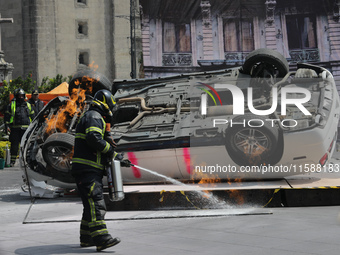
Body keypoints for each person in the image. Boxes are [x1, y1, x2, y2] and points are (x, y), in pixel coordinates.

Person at [71, 89, 131, 252]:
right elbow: (93, 138)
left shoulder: (93, 116)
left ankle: (87, 237)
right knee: (96, 202)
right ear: (105, 104)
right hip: (87, 169)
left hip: (87, 169)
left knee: (89, 204)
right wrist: (113, 154)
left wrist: (116, 157)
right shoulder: (94, 116)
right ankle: (101, 238)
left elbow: (97, 140)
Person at [4, 88, 35, 166]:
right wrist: (7, 126)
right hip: (15, 128)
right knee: (14, 146)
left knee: (26, 146)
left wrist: (34, 127)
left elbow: (33, 116)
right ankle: (12, 161)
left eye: (22, 96)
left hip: (26, 129)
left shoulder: (28, 105)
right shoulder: (11, 105)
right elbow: (7, 116)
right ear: (16, 96)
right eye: (19, 96)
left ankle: (26, 161)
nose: (21, 97)